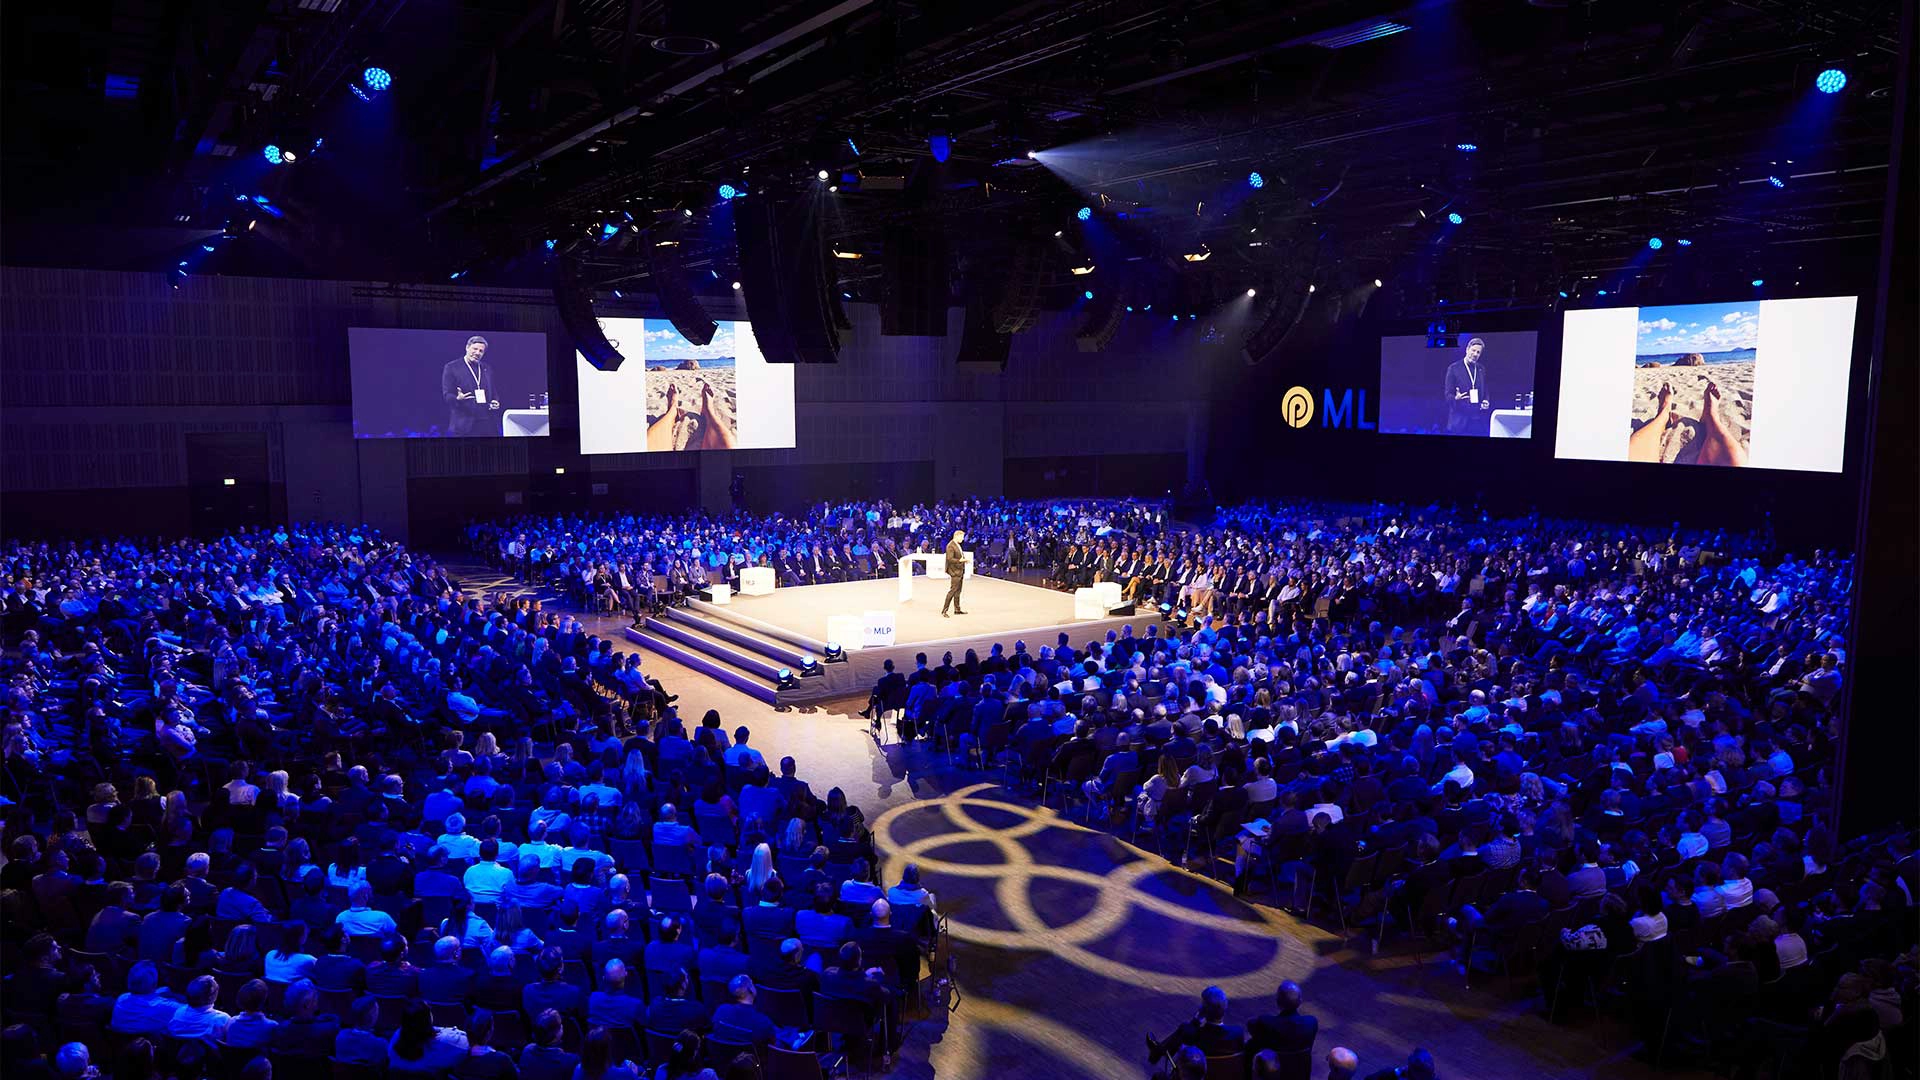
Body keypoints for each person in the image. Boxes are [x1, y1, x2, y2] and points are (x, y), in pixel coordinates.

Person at [441, 335, 501, 436]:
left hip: (487, 423)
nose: (477, 353)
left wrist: (495, 400)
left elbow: (493, 391)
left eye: (481, 351)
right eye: (475, 349)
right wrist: (457, 398)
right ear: (467, 347)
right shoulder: (452, 367)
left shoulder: (487, 368)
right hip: (464, 424)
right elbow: (447, 394)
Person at [1442, 337, 1491, 435]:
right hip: (1459, 421)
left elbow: (1485, 389)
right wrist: (1455, 398)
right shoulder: (1454, 368)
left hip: (1477, 419)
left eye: (1478, 352)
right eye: (1473, 350)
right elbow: (1447, 395)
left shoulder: (1481, 369)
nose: (1475, 354)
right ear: (1467, 349)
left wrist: (1486, 400)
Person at [941, 530, 969, 617]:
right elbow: (949, 559)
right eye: (962, 537)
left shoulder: (957, 545)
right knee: (952, 591)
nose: (963, 539)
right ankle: (944, 611)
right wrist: (960, 560)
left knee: (958, 591)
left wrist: (963, 560)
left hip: (960, 571)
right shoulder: (950, 545)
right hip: (955, 571)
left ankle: (957, 609)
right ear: (957, 536)